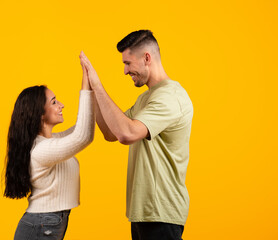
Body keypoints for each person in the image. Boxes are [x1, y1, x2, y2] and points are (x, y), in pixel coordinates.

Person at [80, 30, 193, 240]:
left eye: (128, 63)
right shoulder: (147, 98)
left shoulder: (170, 97)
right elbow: (110, 132)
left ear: (147, 58)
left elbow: (126, 133)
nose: (125, 70)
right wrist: (92, 91)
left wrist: (98, 84)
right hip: (144, 214)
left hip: (161, 215)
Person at [3, 58, 95, 240]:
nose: (61, 105)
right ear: (40, 114)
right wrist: (85, 86)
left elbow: (83, 128)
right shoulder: (42, 150)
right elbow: (83, 137)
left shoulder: (51, 141)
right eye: (54, 102)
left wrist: (93, 90)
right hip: (41, 225)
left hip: (46, 222)